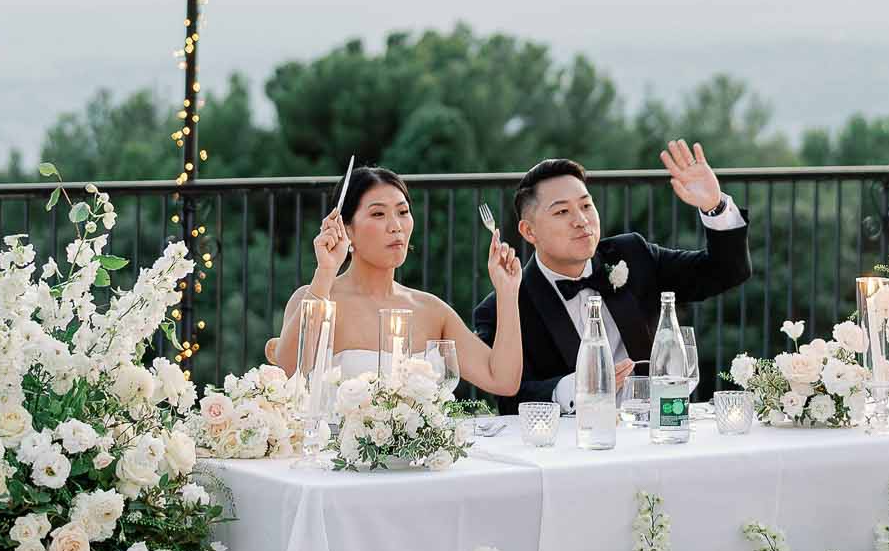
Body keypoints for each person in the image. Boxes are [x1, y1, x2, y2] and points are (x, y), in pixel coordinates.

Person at [473, 139, 749, 411]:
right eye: (561, 211)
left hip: (656, 428)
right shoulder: (502, 308)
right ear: (529, 231)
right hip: (574, 445)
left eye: (585, 205)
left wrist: (715, 206)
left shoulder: (632, 254)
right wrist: (578, 386)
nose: (581, 220)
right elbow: (510, 399)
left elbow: (725, 271)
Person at [268, 165, 524, 399]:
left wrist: (507, 292)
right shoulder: (315, 297)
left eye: (403, 212)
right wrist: (325, 270)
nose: (396, 226)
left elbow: (502, 380)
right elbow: (290, 370)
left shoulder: (431, 309)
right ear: (346, 229)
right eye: (378, 214)